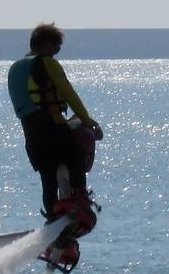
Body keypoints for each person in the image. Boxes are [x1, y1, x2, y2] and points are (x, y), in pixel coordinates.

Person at [7, 23, 104, 219]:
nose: (56, 53)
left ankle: (52, 216)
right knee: (76, 158)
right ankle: (80, 200)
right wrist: (88, 121)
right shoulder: (47, 63)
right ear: (47, 44)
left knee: (48, 177)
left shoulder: (15, 68)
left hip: (30, 132)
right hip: (52, 126)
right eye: (56, 48)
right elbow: (69, 94)